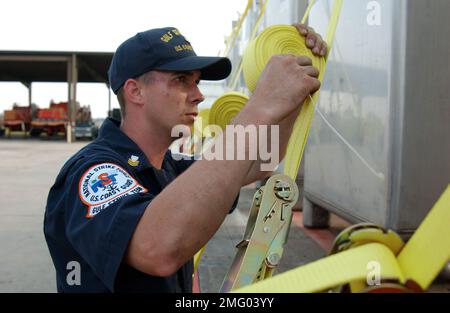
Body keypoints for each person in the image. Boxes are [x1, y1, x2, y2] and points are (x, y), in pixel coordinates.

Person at [43, 24, 327, 293]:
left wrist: (291, 93)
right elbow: (157, 249)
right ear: (135, 91)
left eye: (197, 82)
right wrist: (260, 106)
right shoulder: (92, 170)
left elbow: (262, 160)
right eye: (181, 81)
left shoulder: (170, 167)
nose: (199, 95)